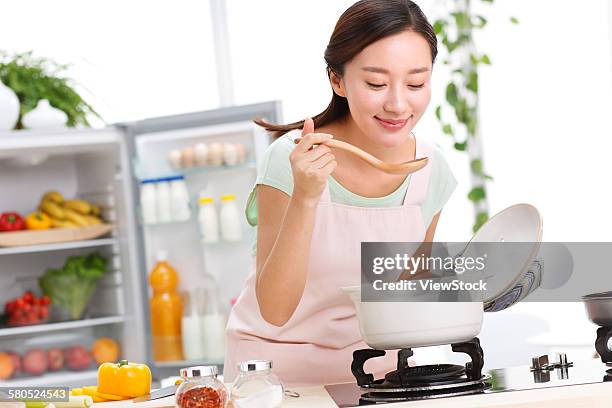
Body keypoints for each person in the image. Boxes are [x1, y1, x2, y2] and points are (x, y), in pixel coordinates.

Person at [224, 0, 457, 386]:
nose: (398, 104)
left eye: (416, 83)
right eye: (376, 83)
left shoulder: (431, 169)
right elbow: (275, 309)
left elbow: (408, 298)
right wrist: (306, 196)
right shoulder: (293, 158)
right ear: (337, 80)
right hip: (276, 381)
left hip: (379, 376)